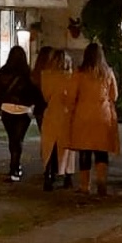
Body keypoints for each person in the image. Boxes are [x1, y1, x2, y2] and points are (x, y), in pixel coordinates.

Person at [67, 42, 120, 196]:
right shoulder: (108, 73)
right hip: (103, 115)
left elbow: (71, 95)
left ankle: (85, 185)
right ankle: (102, 180)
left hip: (83, 115)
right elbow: (114, 95)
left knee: (85, 150)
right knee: (101, 150)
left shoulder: (79, 73)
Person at [0, 46, 40, 180]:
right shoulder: (27, 74)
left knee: (12, 138)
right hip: (23, 111)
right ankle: (15, 167)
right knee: (18, 139)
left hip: (7, 108)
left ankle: (14, 166)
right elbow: (34, 92)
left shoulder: (3, 72)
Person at [36, 48, 76, 191]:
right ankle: (68, 177)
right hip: (66, 115)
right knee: (68, 148)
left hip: (51, 113)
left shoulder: (46, 76)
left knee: (49, 147)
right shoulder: (71, 77)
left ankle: (48, 176)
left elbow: (46, 96)